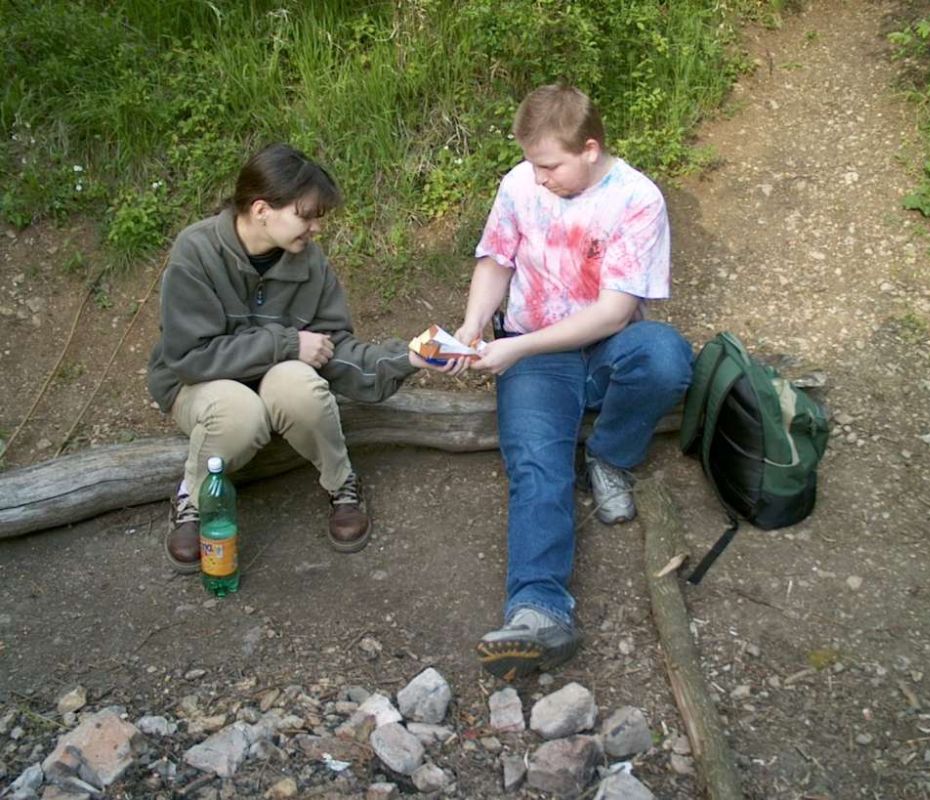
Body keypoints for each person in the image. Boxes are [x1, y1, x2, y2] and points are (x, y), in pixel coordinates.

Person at [453, 85, 694, 680]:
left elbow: (614, 313)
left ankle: (610, 457)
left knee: (665, 356)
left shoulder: (637, 198)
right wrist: (474, 325)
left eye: (550, 166)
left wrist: (516, 348)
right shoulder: (520, 185)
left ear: (590, 149)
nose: (538, 178)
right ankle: (539, 611)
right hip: (536, 353)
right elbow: (496, 261)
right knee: (537, 466)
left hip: (602, 344)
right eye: (533, 164)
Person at [148, 143, 452, 573]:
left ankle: (341, 483)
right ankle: (194, 501)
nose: (315, 228)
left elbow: (333, 349)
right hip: (199, 384)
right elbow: (189, 357)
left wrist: (408, 358)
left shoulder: (310, 263)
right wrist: (287, 344)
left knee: (301, 386)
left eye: (317, 217)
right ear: (261, 209)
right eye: (305, 216)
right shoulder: (196, 251)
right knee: (239, 412)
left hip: (274, 379)